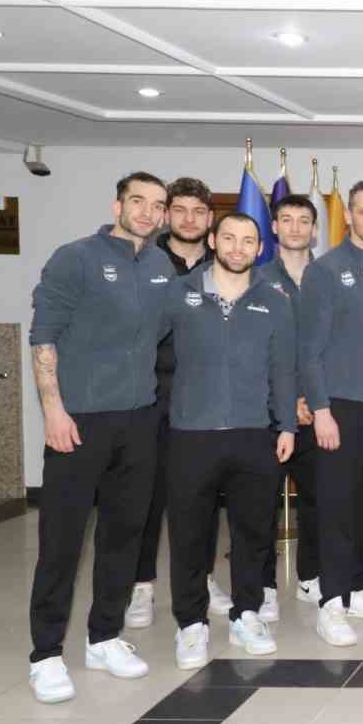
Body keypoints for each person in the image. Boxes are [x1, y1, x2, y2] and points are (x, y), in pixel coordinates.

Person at [27, 172, 174, 703]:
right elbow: (43, 337)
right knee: (62, 541)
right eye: (138, 201)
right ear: (117, 205)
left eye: (157, 205)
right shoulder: (76, 258)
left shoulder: (160, 267)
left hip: (138, 422)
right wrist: (53, 410)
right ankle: (46, 654)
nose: (148, 212)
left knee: (124, 535)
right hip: (78, 422)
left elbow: (163, 333)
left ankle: (104, 637)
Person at [159, 213, 296, 668]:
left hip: (255, 434)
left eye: (248, 241)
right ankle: (190, 624)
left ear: (260, 248)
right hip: (191, 435)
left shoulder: (274, 300)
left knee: (254, 533)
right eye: (230, 238)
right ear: (214, 240)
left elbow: (283, 368)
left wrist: (287, 426)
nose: (238, 248)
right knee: (189, 535)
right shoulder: (178, 293)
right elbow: (144, 349)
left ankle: (247, 614)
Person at [299, 180, 363, 647]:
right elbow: (309, 350)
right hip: (338, 405)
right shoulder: (324, 270)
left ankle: (358, 586)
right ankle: (331, 602)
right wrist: (320, 409)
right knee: (337, 504)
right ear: (349, 217)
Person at [126, 176, 214, 631]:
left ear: (210, 218)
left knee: (203, 496)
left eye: (198, 212)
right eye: (179, 210)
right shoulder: (144, 261)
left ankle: (203, 578)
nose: (189, 219)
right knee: (148, 494)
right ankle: (141, 585)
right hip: (153, 396)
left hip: (207, 400)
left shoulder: (225, 264)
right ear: (165, 215)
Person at [253, 193, 322, 621]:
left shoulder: (328, 278)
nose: (295, 227)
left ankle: (310, 577)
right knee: (261, 504)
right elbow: (249, 350)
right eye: (287, 219)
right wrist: (285, 401)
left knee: (318, 499)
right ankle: (263, 586)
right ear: (274, 227)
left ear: (314, 230)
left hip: (317, 412)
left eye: (303, 220)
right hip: (265, 414)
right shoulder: (255, 278)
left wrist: (313, 400)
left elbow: (335, 346)